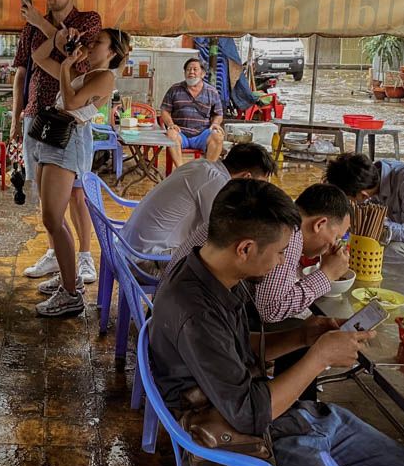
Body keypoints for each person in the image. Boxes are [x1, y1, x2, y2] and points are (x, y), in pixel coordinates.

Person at [150, 179, 404, 466]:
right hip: (246, 448)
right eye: (281, 252)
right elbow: (250, 413)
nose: (282, 262)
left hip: (290, 422)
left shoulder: (216, 274)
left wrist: (304, 335)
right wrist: (319, 357)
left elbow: (235, 346)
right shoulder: (195, 311)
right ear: (244, 249)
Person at [27, 26, 131, 317]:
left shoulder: (106, 77)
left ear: (112, 52)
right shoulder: (88, 74)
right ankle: (68, 276)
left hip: (68, 142)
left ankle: (71, 294)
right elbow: (38, 57)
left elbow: (71, 103)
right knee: (52, 217)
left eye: (99, 42)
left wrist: (65, 65)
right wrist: (60, 43)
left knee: (53, 218)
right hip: (55, 138)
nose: (91, 44)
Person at [11, 0, 103, 284]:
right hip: (36, 116)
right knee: (45, 194)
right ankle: (55, 253)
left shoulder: (88, 21)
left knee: (76, 192)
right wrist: (16, 118)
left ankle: (85, 256)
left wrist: (42, 24)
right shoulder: (30, 28)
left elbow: (77, 61)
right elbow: (23, 71)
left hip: (70, 118)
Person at [167, 182, 353, 321]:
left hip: (174, 290)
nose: (334, 244)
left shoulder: (271, 214)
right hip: (191, 307)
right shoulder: (289, 232)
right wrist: (327, 274)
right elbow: (271, 309)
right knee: (297, 326)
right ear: (319, 224)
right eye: (337, 236)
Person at [121, 142, 276, 256]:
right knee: (229, 261)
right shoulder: (216, 181)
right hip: (146, 259)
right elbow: (223, 233)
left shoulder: (202, 165)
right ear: (247, 177)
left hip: (129, 247)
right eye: (258, 185)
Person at [160, 57, 224, 167]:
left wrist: (215, 124)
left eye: (195, 69)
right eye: (188, 69)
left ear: (202, 73)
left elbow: (218, 114)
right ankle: (180, 170)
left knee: (218, 136)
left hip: (202, 134)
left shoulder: (212, 92)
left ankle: (207, 170)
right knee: (171, 134)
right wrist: (171, 124)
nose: (191, 72)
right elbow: (165, 111)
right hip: (181, 133)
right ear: (184, 73)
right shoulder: (175, 89)